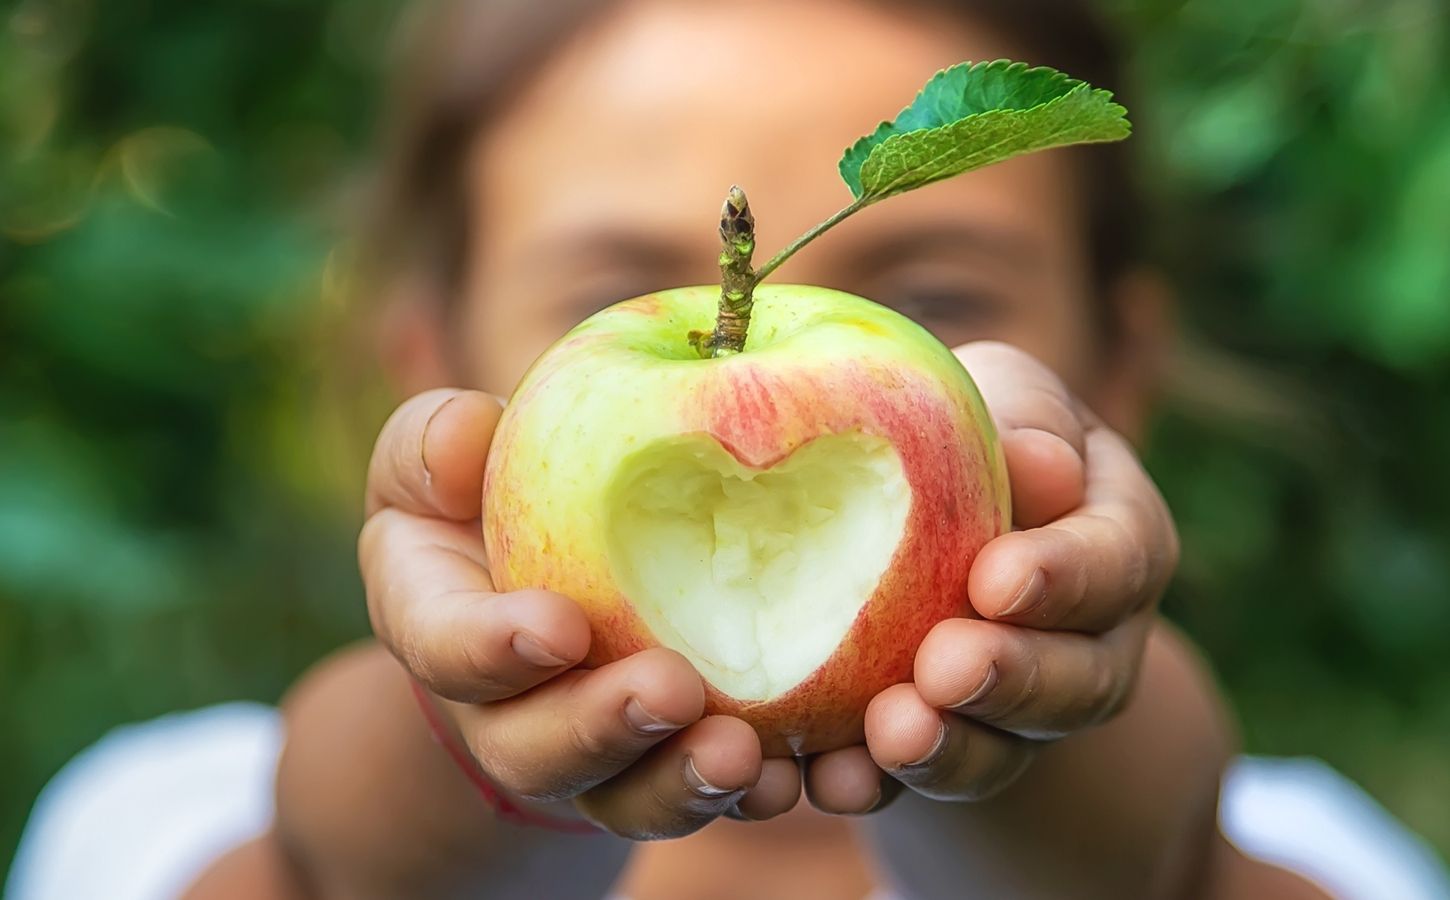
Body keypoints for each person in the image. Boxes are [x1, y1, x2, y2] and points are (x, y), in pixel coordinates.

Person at [10, 1, 1450, 898]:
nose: (782, 381)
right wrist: (482, 736)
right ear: (433, 374)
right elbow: (340, 871)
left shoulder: (1314, 850)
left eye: (937, 299)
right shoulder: (160, 811)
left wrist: (1038, 746)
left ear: (1112, 374)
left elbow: (1154, 872)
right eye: (603, 293)